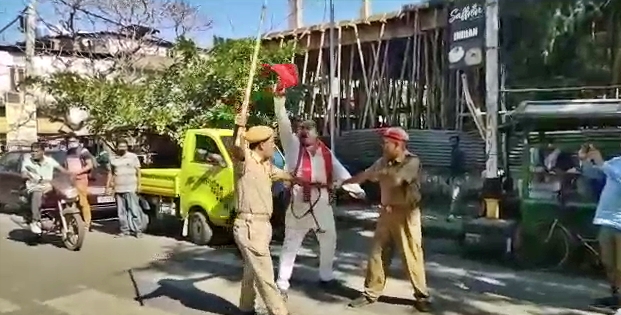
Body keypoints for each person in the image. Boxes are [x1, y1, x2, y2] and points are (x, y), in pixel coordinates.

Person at [274, 98, 366, 296]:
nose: (305, 132)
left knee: (329, 240)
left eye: (309, 129)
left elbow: (340, 171)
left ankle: (326, 277)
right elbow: (282, 122)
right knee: (291, 243)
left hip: (322, 202)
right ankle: (282, 283)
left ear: (316, 133)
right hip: (299, 202)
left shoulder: (325, 152)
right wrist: (279, 101)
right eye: (301, 128)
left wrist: (356, 189)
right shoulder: (292, 146)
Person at [342, 127, 431, 313]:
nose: (383, 146)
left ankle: (421, 296)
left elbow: (397, 180)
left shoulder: (411, 161)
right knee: (377, 253)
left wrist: (379, 173)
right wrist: (343, 183)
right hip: (386, 213)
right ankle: (370, 293)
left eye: (386, 143)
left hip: (407, 214)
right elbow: (365, 175)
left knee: (411, 255)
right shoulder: (383, 161)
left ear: (397, 144)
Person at [231, 124, 295, 315]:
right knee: (266, 275)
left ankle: (245, 307)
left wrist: (307, 180)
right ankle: (279, 312)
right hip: (249, 226)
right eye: (271, 142)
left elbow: (285, 175)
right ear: (260, 145)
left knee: (252, 269)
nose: (274, 146)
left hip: (262, 226)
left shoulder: (266, 164)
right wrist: (238, 128)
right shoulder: (245, 161)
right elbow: (236, 150)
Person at [581, 145, 621, 312]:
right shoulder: (616, 162)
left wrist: (601, 163)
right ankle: (616, 297)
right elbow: (593, 173)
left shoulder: (610, 165)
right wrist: (585, 160)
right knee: (608, 263)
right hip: (606, 220)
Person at [21, 142, 73, 234]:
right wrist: (28, 177)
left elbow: (62, 170)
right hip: (34, 186)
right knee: (37, 192)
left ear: (42, 152)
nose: (34, 153)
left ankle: (63, 216)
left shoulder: (49, 160)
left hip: (48, 186)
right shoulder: (27, 161)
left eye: (36, 151)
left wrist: (70, 175)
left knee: (63, 192)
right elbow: (24, 173)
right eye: (32, 151)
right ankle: (35, 221)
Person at [106, 139, 144, 238]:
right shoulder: (113, 158)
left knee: (134, 210)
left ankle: (138, 230)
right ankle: (124, 230)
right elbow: (111, 173)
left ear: (127, 147)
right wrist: (108, 186)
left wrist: (139, 185)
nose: (122, 148)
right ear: (117, 147)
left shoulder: (133, 157)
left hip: (131, 187)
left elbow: (138, 171)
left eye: (124, 146)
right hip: (118, 188)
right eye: (120, 146)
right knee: (121, 212)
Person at [65, 135, 94, 230]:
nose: (71, 143)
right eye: (69, 141)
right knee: (70, 201)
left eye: (73, 141)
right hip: (70, 180)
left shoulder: (83, 151)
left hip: (81, 179)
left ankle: (87, 223)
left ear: (77, 140)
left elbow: (89, 165)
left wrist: (78, 172)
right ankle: (72, 222)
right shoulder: (68, 152)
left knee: (83, 202)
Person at [447, 135, 465, 220]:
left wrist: (454, 176)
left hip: (458, 176)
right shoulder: (453, 152)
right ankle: (456, 213)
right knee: (455, 196)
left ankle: (452, 214)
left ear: (457, 142)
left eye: (453, 141)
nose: (452, 143)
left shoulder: (458, 152)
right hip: (455, 176)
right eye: (451, 141)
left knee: (455, 196)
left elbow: (458, 166)